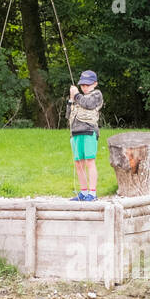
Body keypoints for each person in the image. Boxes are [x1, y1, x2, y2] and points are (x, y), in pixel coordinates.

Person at [66, 70, 104, 201]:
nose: (84, 87)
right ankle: (83, 192)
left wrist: (76, 95)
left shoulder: (96, 95)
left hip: (89, 132)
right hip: (75, 134)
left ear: (95, 84)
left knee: (89, 161)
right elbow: (68, 115)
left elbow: (88, 104)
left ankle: (92, 193)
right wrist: (71, 100)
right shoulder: (78, 98)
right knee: (78, 163)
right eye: (82, 85)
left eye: (87, 85)